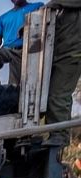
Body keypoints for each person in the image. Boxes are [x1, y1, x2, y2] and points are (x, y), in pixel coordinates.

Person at [43, 0, 81, 147]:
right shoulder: (62, 10)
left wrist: (56, 3)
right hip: (59, 56)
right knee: (53, 97)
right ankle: (57, 133)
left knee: (57, 96)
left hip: (72, 55)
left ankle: (60, 135)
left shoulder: (69, 5)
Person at [0, 0, 45, 86]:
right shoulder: (2, 18)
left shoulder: (37, 6)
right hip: (8, 50)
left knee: (15, 85)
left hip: (28, 49)